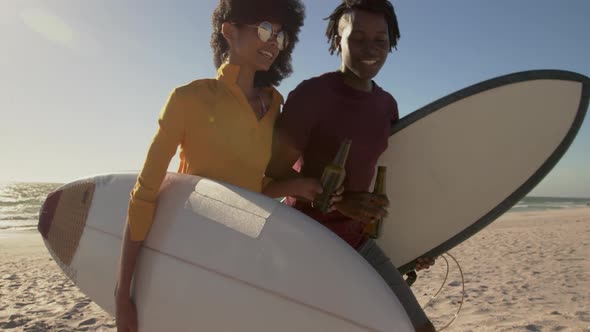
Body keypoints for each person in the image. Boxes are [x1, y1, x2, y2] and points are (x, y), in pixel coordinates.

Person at [114, 1, 310, 331]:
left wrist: (295, 186)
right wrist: (123, 295)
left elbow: (248, 187)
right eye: (264, 29)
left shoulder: (275, 105)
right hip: (191, 250)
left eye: (281, 35)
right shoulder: (188, 99)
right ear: (229, 31)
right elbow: (145, 194)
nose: (274, 41)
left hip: (246, 256)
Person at [264, 0, 435, 331]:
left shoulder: (386, 106)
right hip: (305, 242)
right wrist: (341, 201)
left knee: (419, 327)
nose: (370, 49)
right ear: (337, 41)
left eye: (380, 40)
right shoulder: (311, 95)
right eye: (357, 38)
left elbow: (390, 180)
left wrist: (418, 241)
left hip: (357, 241)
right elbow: (270, 177)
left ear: (392, 42)